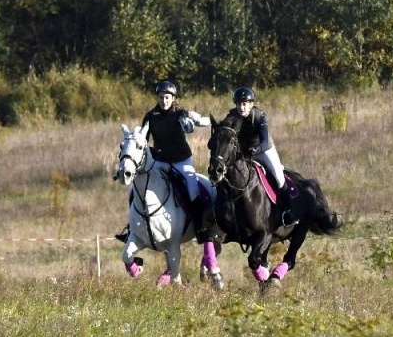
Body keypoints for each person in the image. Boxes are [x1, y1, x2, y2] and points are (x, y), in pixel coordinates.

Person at [115, 80, 216, 242]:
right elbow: (143, 142)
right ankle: (130, 229)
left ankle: (200, 228)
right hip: (160, 161)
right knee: (135, 190)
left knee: (192, 191)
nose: (164, 101)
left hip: (181, 161)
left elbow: (198, 123)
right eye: (161, 97)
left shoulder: (181, 113)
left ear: (173, 98)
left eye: (167, 98)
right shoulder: (150, 116)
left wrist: (211, 120)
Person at [221, 85, 297, 226]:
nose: (241, 108)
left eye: (244, 104)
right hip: (244, 151)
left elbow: (265, 141)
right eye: (239, 104)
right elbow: (224, 130)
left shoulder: (259, 116)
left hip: (263, 150)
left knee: (279, 177)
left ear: (251, 104)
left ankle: (288, 212)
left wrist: (255, 151)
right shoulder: (232, 116)